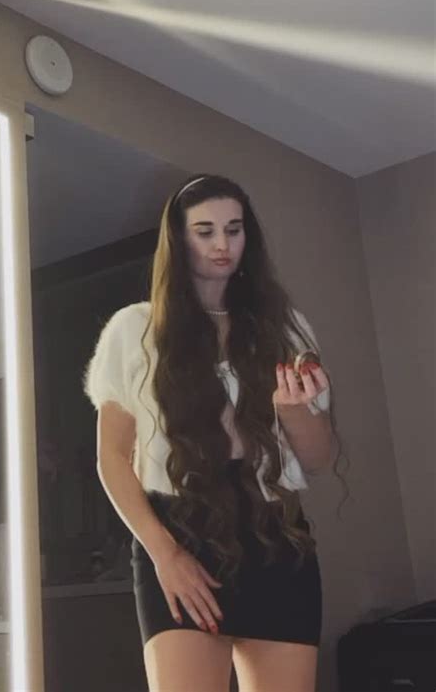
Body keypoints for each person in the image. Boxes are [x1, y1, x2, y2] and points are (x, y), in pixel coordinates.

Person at [84, 173, 343, 692]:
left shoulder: (286, 328)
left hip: (276, 535)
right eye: (205, 231)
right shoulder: (133, 330)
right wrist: (165, 555)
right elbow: (112, 457)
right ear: (178, 240)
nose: (222, 244)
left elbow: (320, 459)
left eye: (234, 229)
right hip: (181, 532)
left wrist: (293, 411)